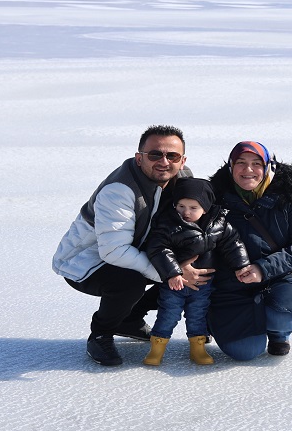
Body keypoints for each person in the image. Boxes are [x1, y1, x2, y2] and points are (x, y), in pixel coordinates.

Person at [51, 125, 200, 367]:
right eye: (155, 155)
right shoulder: (119, 190)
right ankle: (101, 333)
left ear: (182, 161)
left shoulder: (183, 181)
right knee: (129, 281)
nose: (164, 161)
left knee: (196, 258)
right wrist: (173, 273)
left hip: (137, 249)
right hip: (86, 262)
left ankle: (129, 320)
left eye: (172, 156)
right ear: (139, 158)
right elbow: (114, 251)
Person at [200, 141, 292, 361]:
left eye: (256, 163)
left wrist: (263, 268)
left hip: (279, 277)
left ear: (267, 167)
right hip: (231, 282)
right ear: (231, 166)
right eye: (241, 163)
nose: (248, 170)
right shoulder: (213, 197)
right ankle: (215, 320)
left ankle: (278, 334)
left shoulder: (287, 195)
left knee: (284, 313)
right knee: (245, 352)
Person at [142, 177, 253, 366]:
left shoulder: (218, 224)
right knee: (168, 314)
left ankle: (198, 348)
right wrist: (173, 272)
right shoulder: (168, 224)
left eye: (193, 208)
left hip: (203, 284)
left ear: (206, 207)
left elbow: (233, 244)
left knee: (198, 315)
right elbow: (158, 249)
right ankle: (157, 348)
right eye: (181, 206)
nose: (186, 212)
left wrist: (241, 265)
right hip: (175, 284)